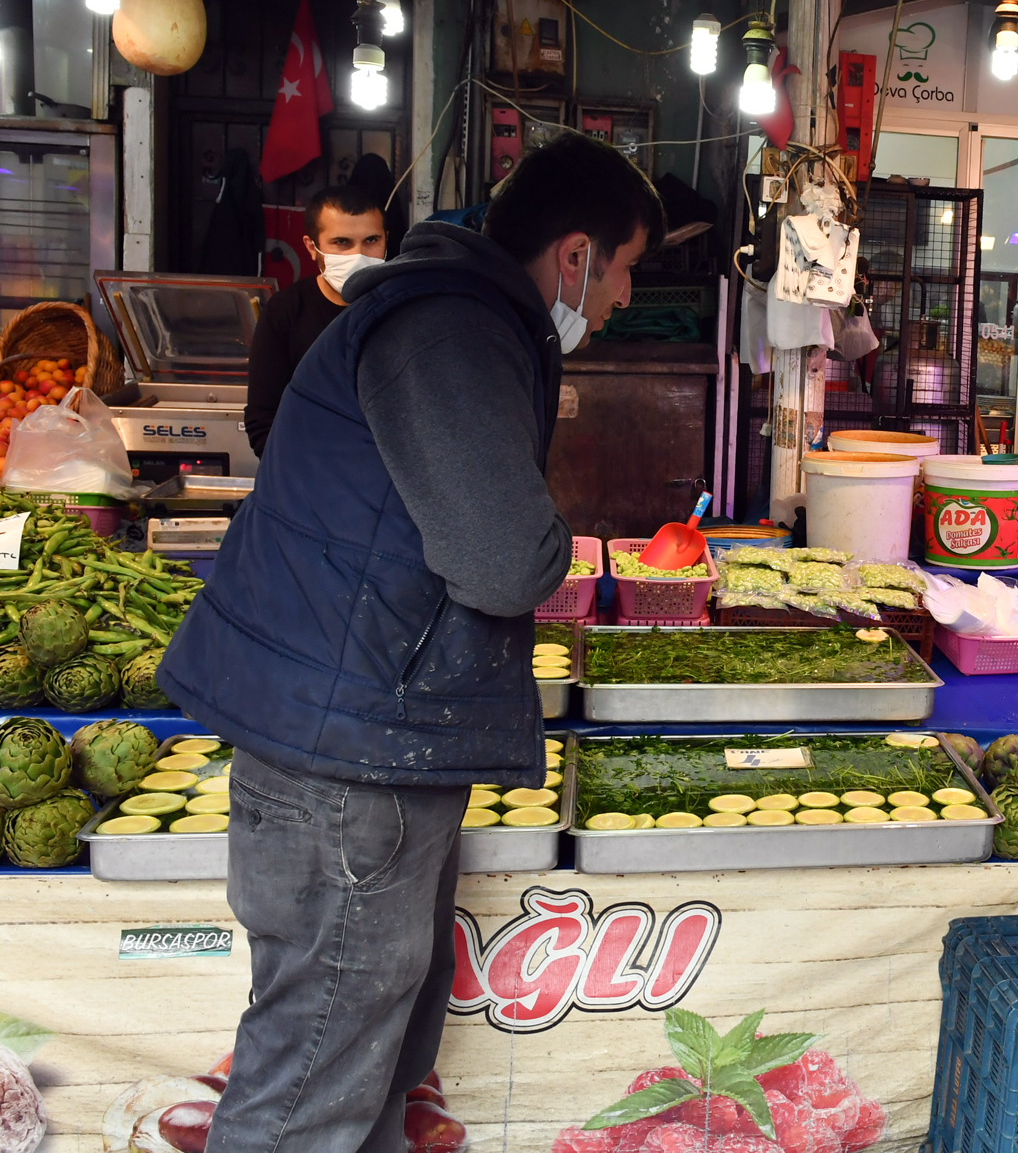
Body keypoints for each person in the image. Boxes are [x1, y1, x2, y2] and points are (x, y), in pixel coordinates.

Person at [156, 133, 663, 1153]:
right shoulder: (450, 331)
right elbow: (503, 560)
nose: (620, 302)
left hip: (364, 740)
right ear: (575, 254)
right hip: (346, 763)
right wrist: (549, 539)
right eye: (624, 272)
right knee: (307, 1093)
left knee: (368, 1068)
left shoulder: (463, 317)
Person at [244, 184, 388, 456]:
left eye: (371, 240)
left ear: (386, 240)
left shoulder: (403, 309)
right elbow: (263, 420)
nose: (358, 255)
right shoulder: (286, 312)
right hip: (309, 479)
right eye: (341, 242)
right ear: (312, 247)